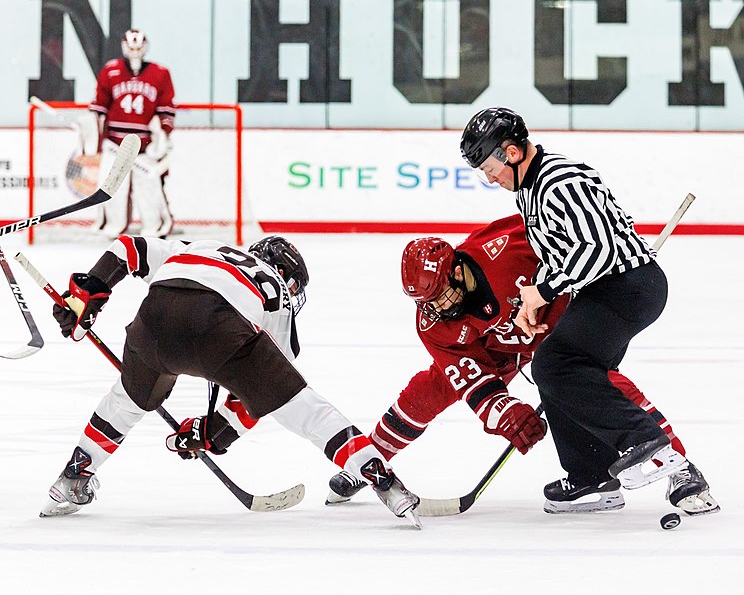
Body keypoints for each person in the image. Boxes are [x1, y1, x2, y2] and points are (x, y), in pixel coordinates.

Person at [325, 214, 718, 515]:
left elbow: (565, 226)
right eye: (426, 302)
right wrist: (505, 413)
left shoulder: (506, 246)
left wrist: (608, 234)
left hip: (559, 327)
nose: (437, 308)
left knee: (602, 385)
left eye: (442, 294)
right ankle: (368, 461)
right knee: (429, 389)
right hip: (495, 348)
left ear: (457, 270)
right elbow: (470, 378)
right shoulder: (432, 322)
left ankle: (680, 466)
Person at [41, 235, 421, 527]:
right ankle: (382, 479)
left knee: (126, 400)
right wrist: (214, 434)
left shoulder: (205, 245)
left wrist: (89, 290)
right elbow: (255, 398)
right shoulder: (280, 295)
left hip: (153, 320)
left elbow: (129, 247)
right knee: (308, 412)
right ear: (286, 275)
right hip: (220, 329)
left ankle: (73, 477)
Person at [455, 107, 719, 515]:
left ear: (510, 152)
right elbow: (559, 250)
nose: (489, 178)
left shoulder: (560, 178)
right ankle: (591, 477)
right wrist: (533, 299)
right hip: (610, 289)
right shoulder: (530, 188)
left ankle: (645, 443)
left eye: (489, 167)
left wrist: (544, 290)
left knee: (556, 364)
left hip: (629, 288)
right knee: (561, 370)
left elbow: (597, 249)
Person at [88, 29, 175, 239]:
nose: (135, 51)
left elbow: (166, 110)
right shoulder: (110, 71)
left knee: (149, 190)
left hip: (144, 146)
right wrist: (94, 136)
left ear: (145, 47)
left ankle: (153, 229)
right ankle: (112, 229)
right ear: (124, 46)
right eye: (131, 47)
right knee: (111, 189)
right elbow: (99, 109)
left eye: (138, 47)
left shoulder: (160, 73)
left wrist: (162, 135)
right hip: (115, 144)